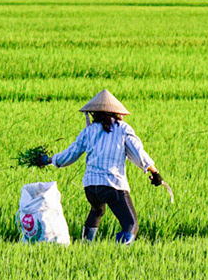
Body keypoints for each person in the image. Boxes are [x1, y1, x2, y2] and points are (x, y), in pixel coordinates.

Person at [47, 90, 164, 243]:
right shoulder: (123, 129)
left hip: (91, 187)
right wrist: (155, 172)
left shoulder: (87, 132)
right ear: (116, 113)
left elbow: (69, 155)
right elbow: (138, 153)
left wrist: (49, 160)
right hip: (113, 185)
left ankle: (85, 245)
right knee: (131, 224)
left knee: (97, 210)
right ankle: (121, 251)